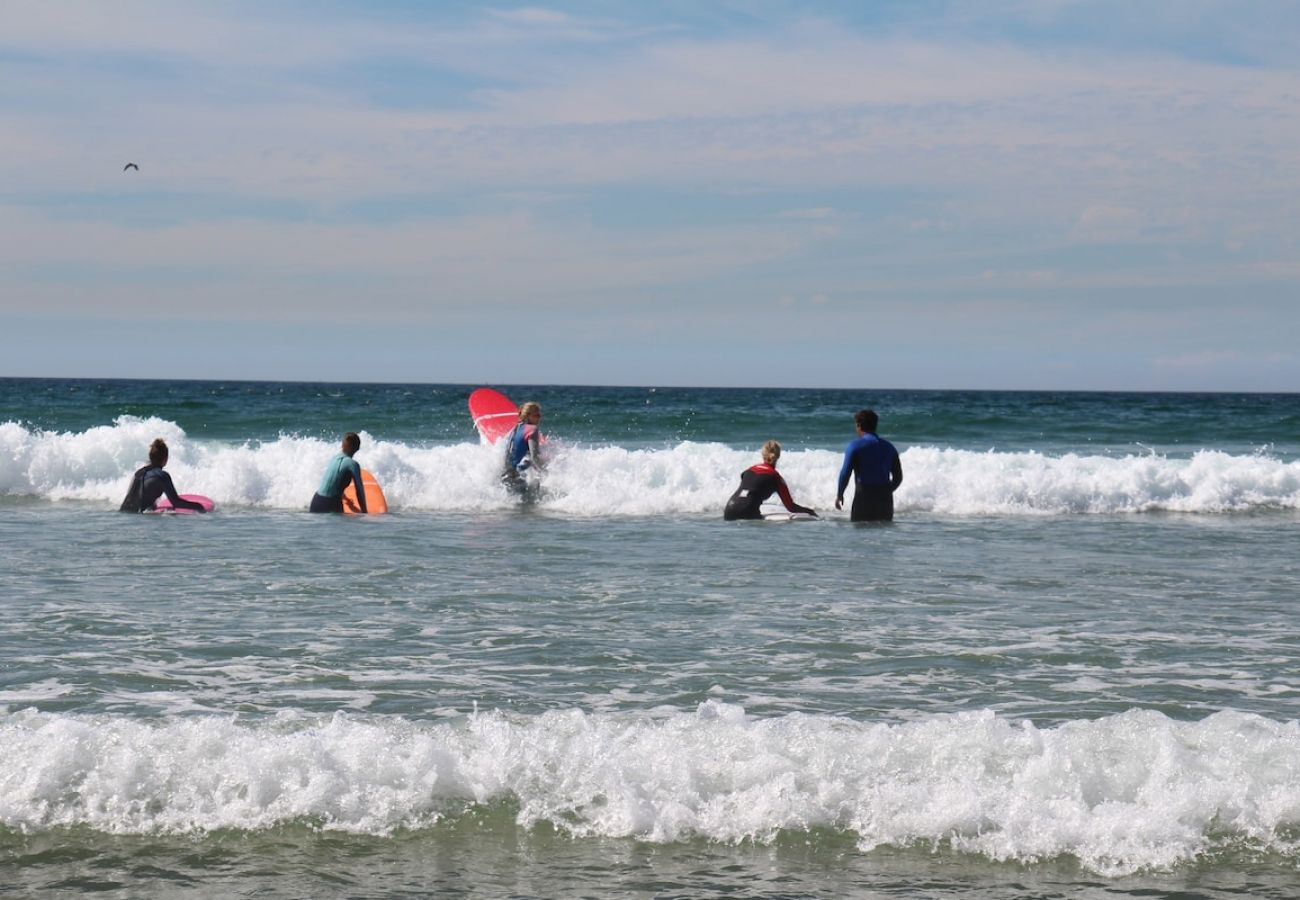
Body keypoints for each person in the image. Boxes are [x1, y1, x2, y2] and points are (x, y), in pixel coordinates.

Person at [836, 409, 903, 522]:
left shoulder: (855, 446)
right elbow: (898, 477)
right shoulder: (890, 447)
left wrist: (840, 494)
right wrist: (886, 492)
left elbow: (845, 473)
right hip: (885, 501)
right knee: (885, 536)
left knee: (859, 536)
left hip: (864, 498)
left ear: (859, 425)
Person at [724, 440, 817, 520]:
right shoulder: (775, 477)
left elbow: (750, 491)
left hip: (729, 510)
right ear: (778, 456)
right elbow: (791, 507)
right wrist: (810, 511)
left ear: (763, 454)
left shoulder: (748, 471)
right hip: (748, 512)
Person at [119, 438, 207, 513]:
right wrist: (200, 507)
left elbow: (139, 498)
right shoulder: (162, 476)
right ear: (165, 459)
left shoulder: (138, 473)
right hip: (138, 518)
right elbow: (176, 503)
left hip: (124, 515)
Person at [310, 432, 367, 513]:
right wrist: (365, 513)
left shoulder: (334, 458)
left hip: (316, 501)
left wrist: (345, 498)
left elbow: (332, 481)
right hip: (331, 503)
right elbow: (359, 491)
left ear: (342, 445)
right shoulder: (353, 464)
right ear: (357, 448)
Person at [501, 401, 544, 494]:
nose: (540, 417)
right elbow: (534, 457)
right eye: (537, 415)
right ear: (528, 416)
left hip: (505, 476)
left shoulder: (515, 428)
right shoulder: (532, 430)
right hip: (517, 479)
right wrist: (546, 473)